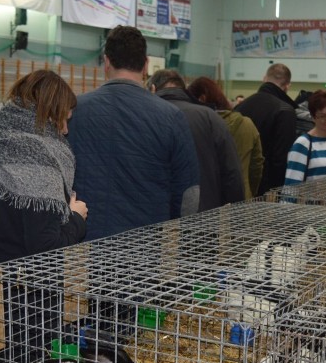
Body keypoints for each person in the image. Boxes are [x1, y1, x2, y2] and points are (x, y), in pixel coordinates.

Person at [68, 25, 199, 241]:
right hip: (147, 239)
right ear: (146, 64)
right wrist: (176, 226)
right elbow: (189, 194)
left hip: (89, 239)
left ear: (106, 61)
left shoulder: (74, 111)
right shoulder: (171, 116)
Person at [0, 69, 88, 269]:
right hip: (22, 289)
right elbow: (46, 247)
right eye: (64, 119)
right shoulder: (39, 163)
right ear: (50, 116)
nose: (65, 130)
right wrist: (76, 219)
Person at [148, 70, 244, 211]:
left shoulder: (144, 117)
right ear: (184, 89)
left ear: (153, 89)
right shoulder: (210, 117)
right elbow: (232, 173)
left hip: (153, 219)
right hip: (204, 219)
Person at [235, 63, 306, 195]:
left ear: (264, 79)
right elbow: (281, 159)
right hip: (267, 191)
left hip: (239, 183)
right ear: (287, 86)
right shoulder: (285, 111)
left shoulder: (240, 107)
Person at [187, 76, 264, 200]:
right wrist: (250, 191)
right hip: (241, 199)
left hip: (206, 201)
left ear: (202, 98)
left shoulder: (197, 126)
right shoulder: (247, 124)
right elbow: (257, 165)